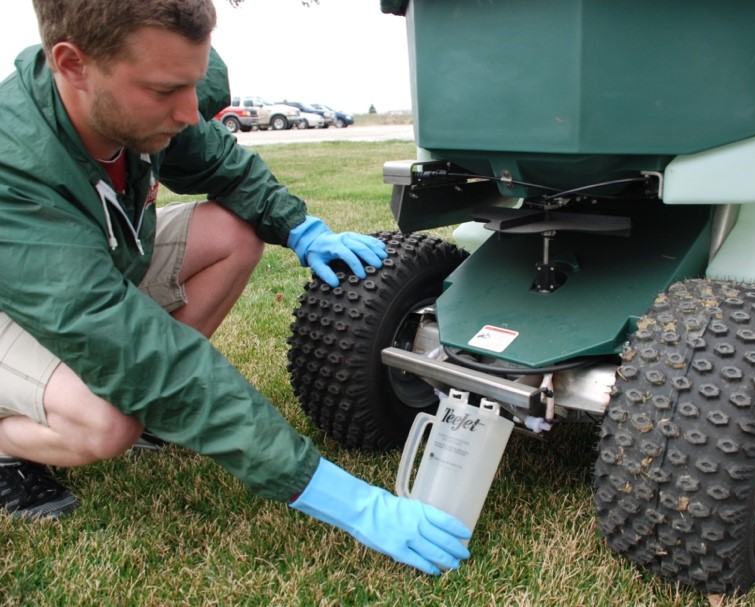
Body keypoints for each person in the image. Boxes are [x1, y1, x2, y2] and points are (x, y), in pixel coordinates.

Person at [0, 0, 470, 576]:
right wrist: (334, 494)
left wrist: (300, 227)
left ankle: (151, 409)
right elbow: (133, 348)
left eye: (193, 89)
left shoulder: (140, 93)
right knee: (108, 420)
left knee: (233, 231)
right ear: (73, 65)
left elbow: (224, 166)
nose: (187, 114)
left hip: (93, 264)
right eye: (166, 92)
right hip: (19, 298)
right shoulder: (13, 168)